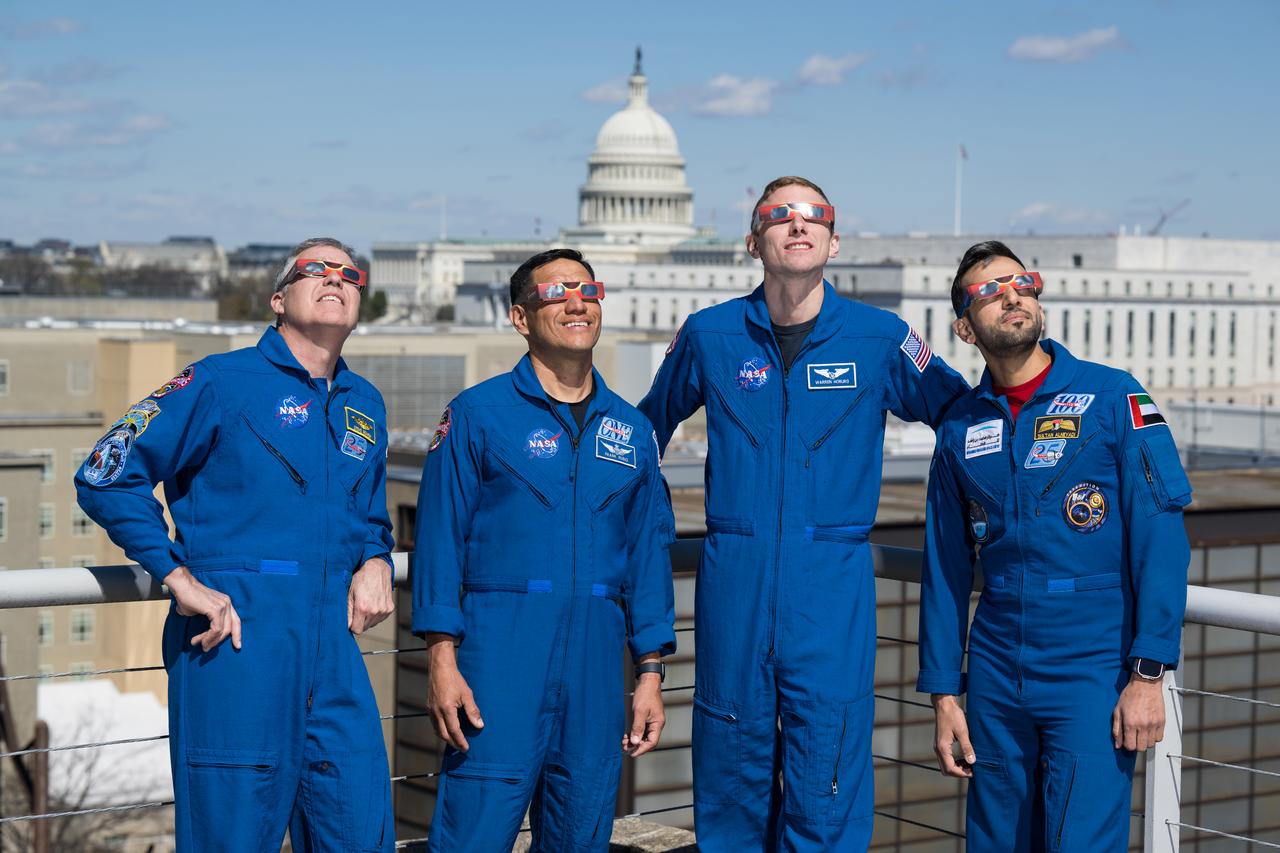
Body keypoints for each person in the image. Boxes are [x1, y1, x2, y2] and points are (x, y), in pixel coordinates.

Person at [639, 176, 968, 850]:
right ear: (753, 240)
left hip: (832, 585)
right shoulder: (710, 334)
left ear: (834, 239)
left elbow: (964, 419)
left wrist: (994, 523)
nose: (797, 224)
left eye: (813, 215)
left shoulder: (881, 338)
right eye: (778, 215)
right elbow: (644, 432)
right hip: (735, 579)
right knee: (730, 765)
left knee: (829, 763)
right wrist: (646, 520)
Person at [75, 237, 396, 851]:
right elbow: (108, 472)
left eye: (349, 274)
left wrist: (377, 556)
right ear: (278, 299)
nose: (335, 279)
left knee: (359, 824)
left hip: (334, 650)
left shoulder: (366, 406)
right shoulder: (218, 381)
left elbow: (368, 515)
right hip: (236, 644)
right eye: (314, 270)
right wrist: (177, 575)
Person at [917, 240, 1192, 851]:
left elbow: (1162, 539)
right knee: (996, 839)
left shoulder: (1113, 397)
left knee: (1082, 839)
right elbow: (944, 566)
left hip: (1091, 669)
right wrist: (943, 692)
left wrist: (1149, 673)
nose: (1010, 294)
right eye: (988, 290)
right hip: (993, 671)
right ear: (966, 327)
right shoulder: (960, 427)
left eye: (1021, 282)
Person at [413, 248, 676, 852]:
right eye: (556, 293)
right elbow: (438, 545)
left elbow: (647, 557)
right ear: (520, 317)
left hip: (595, 668)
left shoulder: (630, 430)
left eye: (588, 290)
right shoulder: (477, 415)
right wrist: (441, 660)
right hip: (497, 662)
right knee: (472, 834)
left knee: (580, 835)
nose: (576, 302)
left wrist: (651, 673)